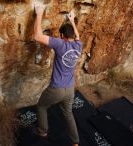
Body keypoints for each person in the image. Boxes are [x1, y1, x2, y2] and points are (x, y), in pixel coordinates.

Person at [34, 4, 82, 146]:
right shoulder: (78, 45)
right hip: (70, 89)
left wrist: (39, 13)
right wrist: (72, 20)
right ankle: (75, 142)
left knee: (42, 106)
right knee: (68, 114)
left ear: (62, 36)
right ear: (72, 36)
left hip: (56, 89)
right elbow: (77, 35)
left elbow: (37, 36)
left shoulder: (60, 44)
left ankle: (43, 132)